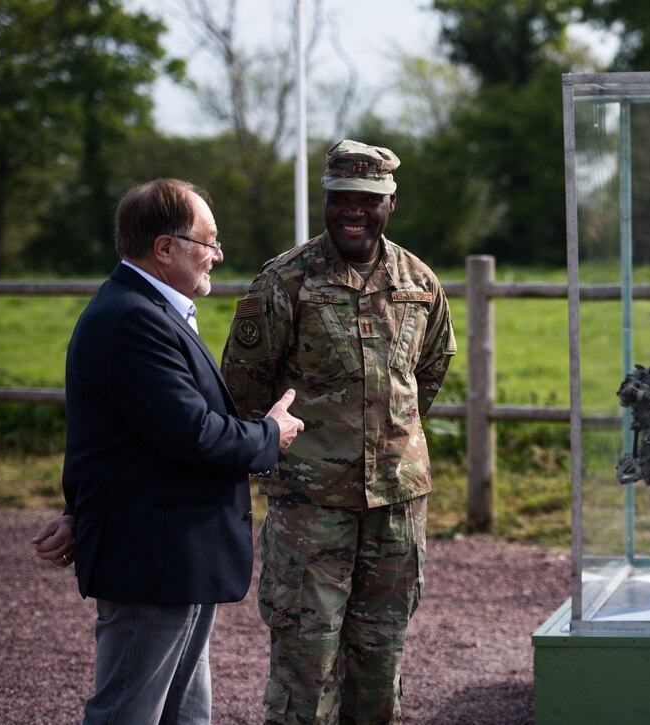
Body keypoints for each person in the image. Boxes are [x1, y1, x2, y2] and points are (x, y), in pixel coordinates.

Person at [31, 178, 305, 724]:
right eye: (209, 242)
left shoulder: (144, 309)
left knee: (185, 714)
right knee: (129, 713)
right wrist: (270, 435)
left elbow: (122, 438)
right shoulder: (134, 318)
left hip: (174, 553)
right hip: (154, 558)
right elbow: (193, 433)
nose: (218, 255)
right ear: (165, 248)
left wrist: (77, 510)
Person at [221, 140, 457, 724]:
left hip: (397, 506)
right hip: (310, 508)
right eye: (341, 199)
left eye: (368, 201)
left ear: (390, 203)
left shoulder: (418, 282)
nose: (354, 211)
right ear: (326, 199)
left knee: (380, 661)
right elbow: (245, 388)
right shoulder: (285, 282)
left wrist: (383, 438)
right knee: (306, 662)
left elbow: (427, 374)